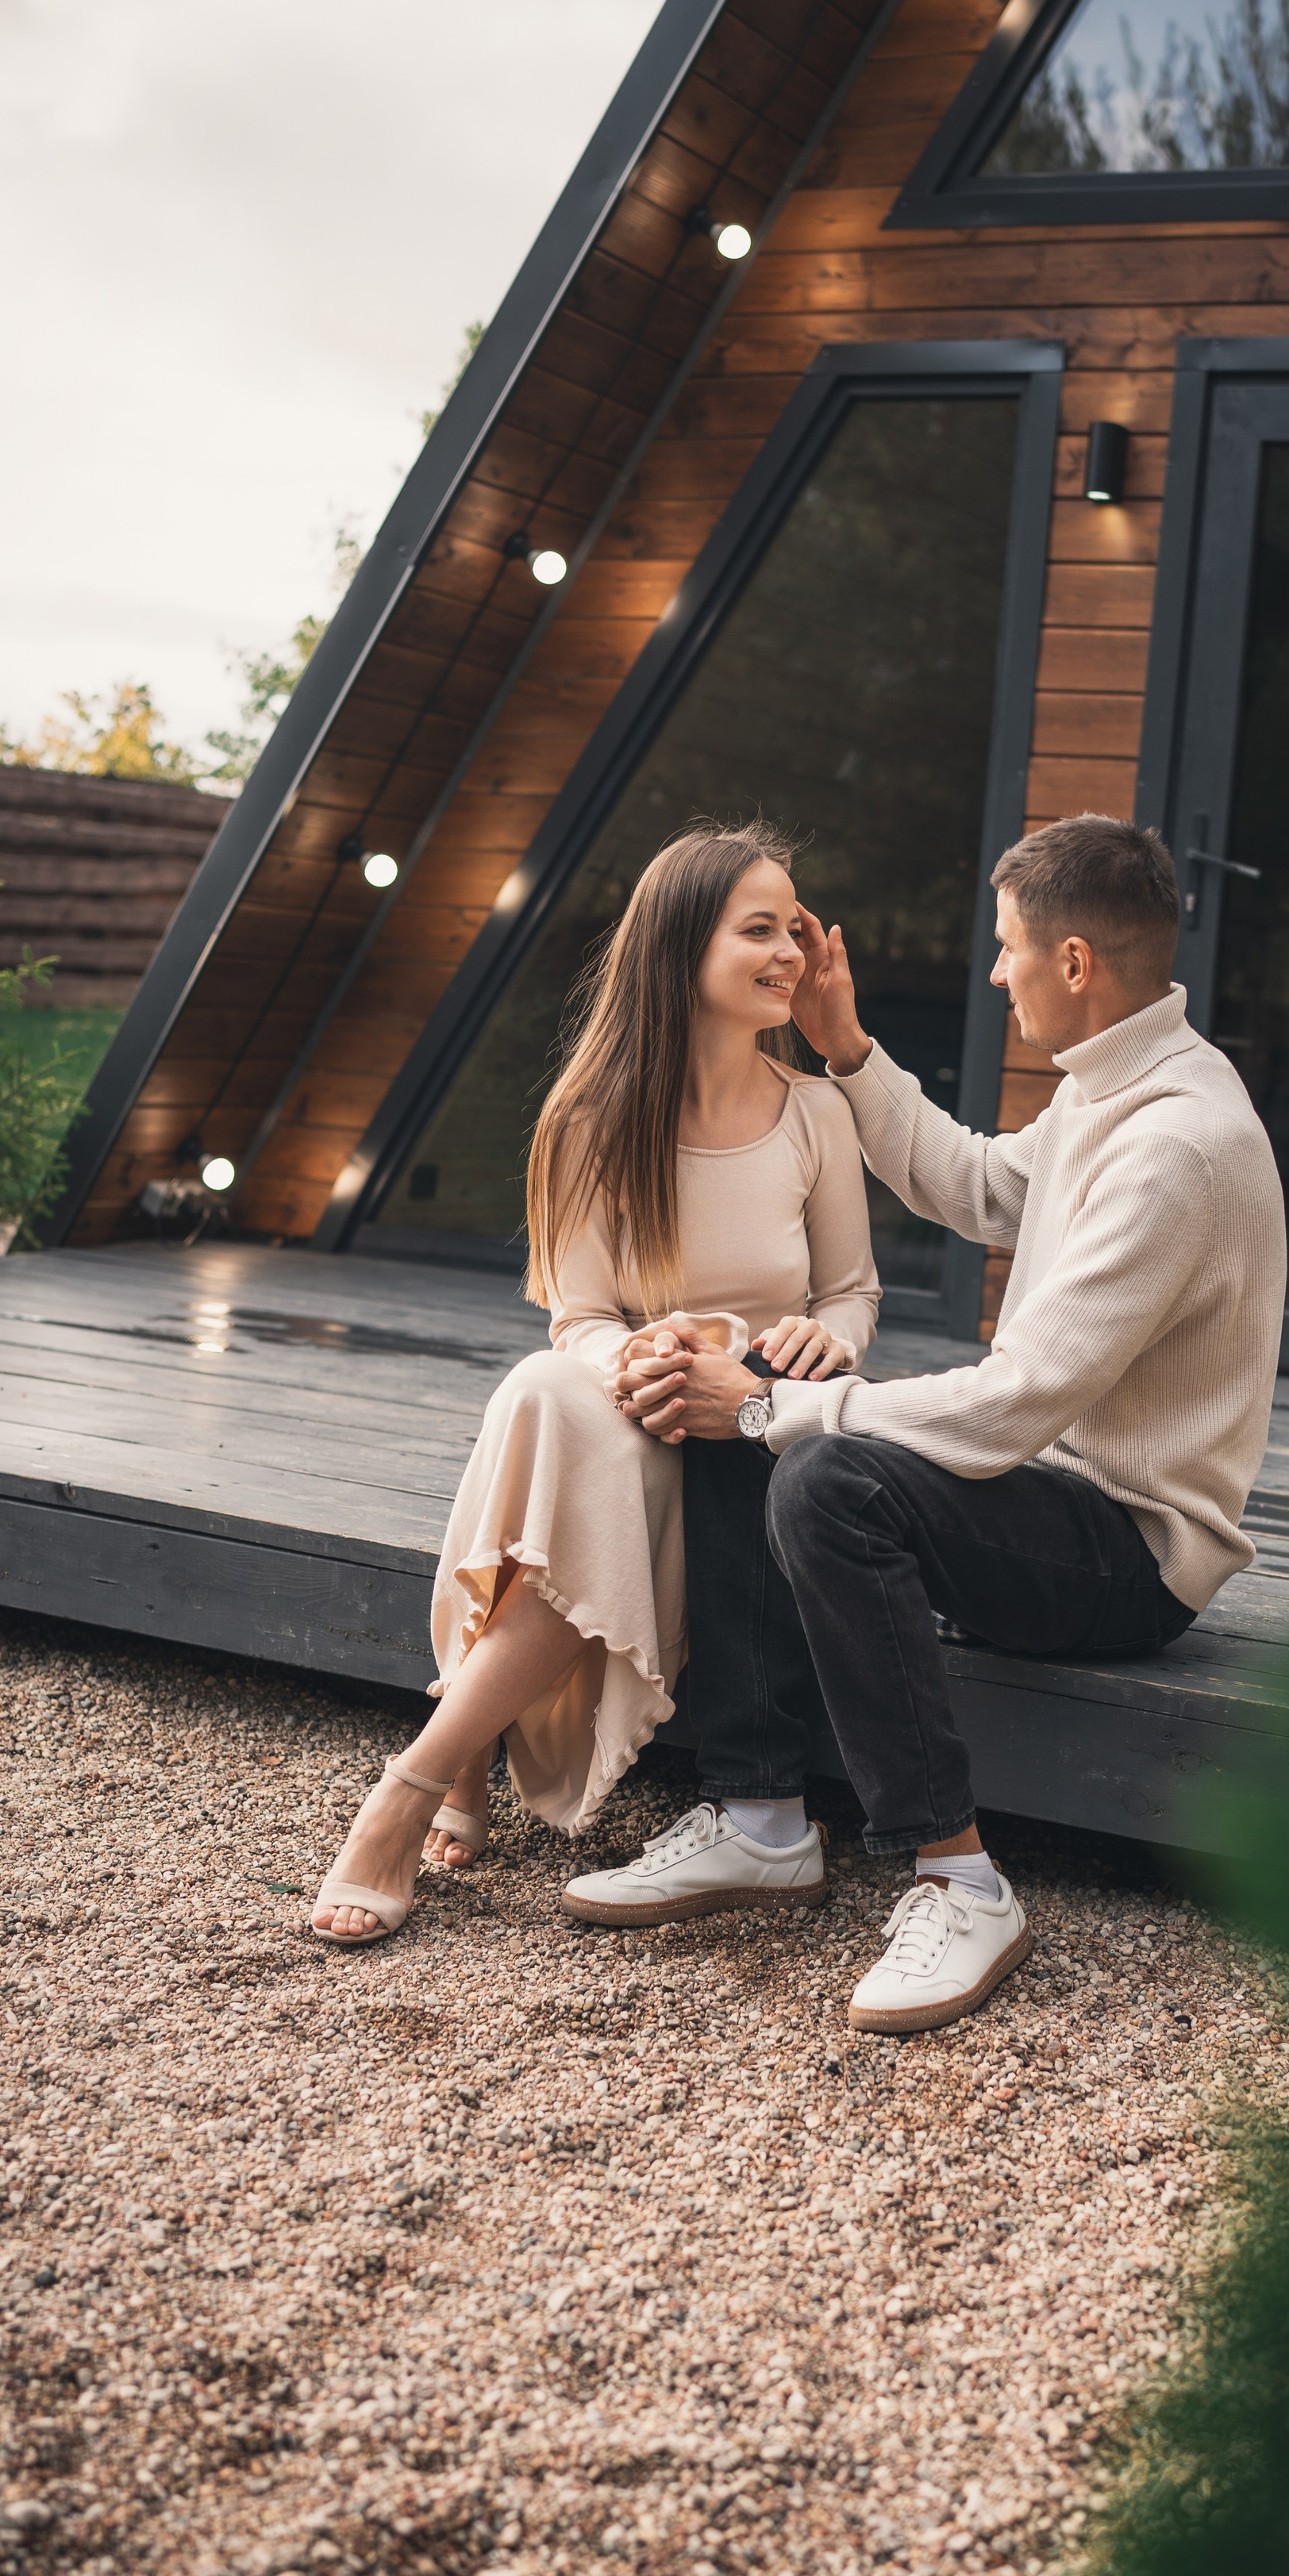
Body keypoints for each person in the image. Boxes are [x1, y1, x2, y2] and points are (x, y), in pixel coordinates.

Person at [565, 813, 1287, 2035]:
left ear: (1073, 964)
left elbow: (1018, 1403)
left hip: (1130, 1554)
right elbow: (980, 1187)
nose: (994, 973)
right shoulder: (1118, 1088)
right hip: (1053, 1499)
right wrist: (846, 1048)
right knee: (771, 1404)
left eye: (1007, 950)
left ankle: (960, 1881)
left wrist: (775, 1406)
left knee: (816, 1462)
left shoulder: (1177, 1144)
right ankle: (760, 1818)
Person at [310, 820, 878, 1944]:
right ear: (677, 949)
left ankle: (429, 1767)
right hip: (627, 1401)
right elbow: (575, 1319)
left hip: (748, 1423)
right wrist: (636, 1356)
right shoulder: (588, 1118)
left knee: (553, 1419)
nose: (789, 954)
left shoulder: (817, 1112)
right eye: (757, 929)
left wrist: (826, 1344)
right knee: (541, 1387)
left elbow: (853, 1292)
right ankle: (440, 1765)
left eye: (795, 930)